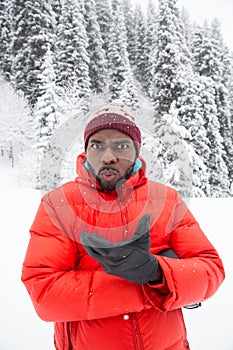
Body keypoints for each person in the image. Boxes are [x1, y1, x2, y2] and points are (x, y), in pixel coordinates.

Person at [21, 100, 225, 350]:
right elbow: (45, 293)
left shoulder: (167, 200)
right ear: (86, 151)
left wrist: (157, 271)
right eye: (97, 145)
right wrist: (147, 286)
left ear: (137, 152)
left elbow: (210, 269)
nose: (109, 157)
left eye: (121, 145)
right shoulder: (59, 204)